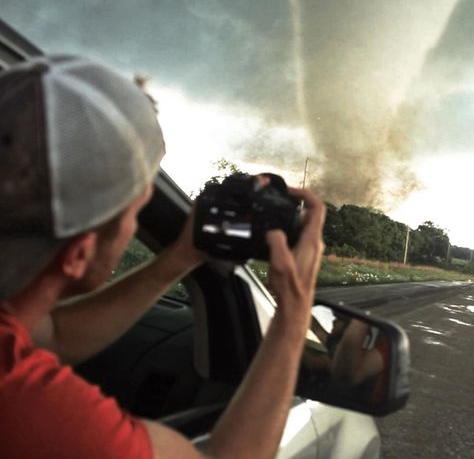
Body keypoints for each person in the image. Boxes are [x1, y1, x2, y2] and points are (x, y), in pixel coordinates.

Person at [0, 56, 326, 459]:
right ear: (79, 253)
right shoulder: (29, 408)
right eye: (136, 213)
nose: (135, 224)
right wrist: (295, 313)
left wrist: (177, 259)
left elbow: (53, 336)